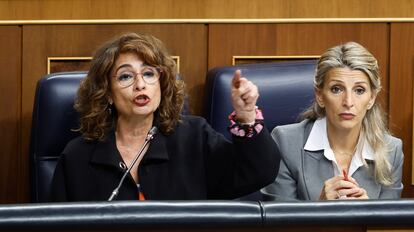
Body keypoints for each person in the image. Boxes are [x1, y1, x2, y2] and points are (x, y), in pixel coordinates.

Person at [50, 32, 280, 201]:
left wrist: (246, 114)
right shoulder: (77, 156)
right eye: (125, 77)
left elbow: (258, 172)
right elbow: (58, 226)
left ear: (162, 84)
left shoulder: (194, 138)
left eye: (149, 73)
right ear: (107, 93)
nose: (140, 84)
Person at [261, 42, 404, 201]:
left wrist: (368, 212)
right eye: (337, 89)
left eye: (359, 90)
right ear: (320, 96)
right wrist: (320, 209)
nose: (348, 102)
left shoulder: (392, 150)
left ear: (371, 98)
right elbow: (279, 222)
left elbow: (389, 224)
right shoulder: (285, 142)